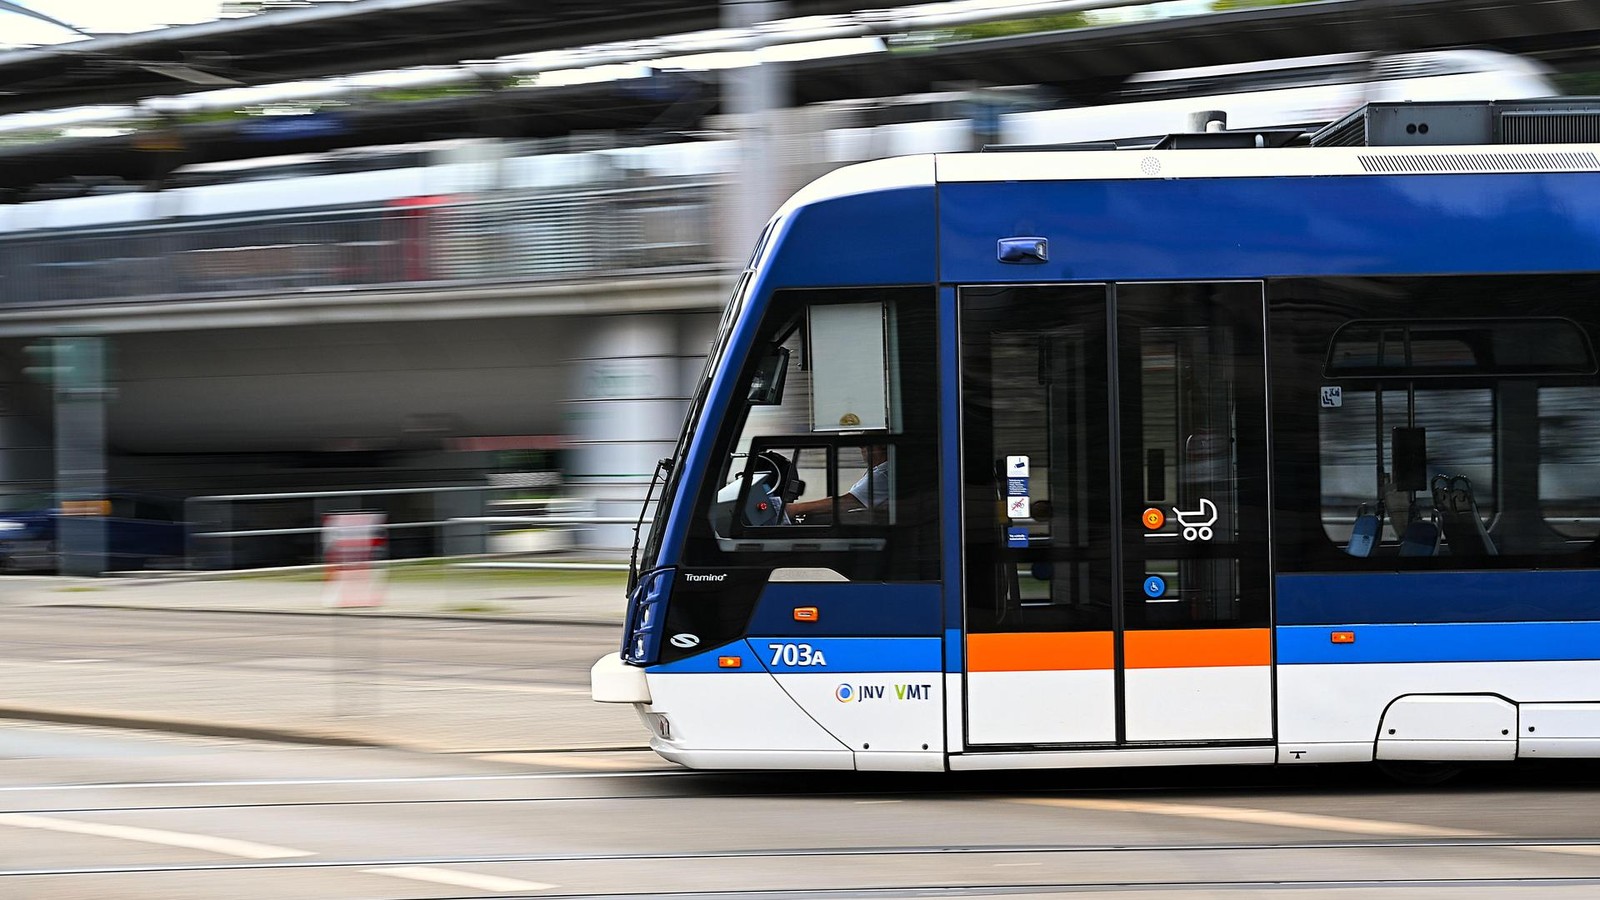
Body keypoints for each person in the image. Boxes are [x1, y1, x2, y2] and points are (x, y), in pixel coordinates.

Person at [787, 445, 891, 522]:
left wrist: (793, 509)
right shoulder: (878, 471)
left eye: (863, 445)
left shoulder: (884, 474)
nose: (861, 449)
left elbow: (848, 502)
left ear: (881, 446)